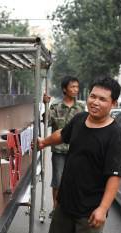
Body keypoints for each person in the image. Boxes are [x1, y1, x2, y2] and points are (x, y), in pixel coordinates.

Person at [37, 77, 121, 233]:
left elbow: (114, 176)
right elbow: (61, 135)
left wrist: (103, 209)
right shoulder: (79, 120)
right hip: (66, 200)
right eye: (93, 96)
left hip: (91, 209)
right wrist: (43, 142)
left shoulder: (116, 136)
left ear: (113, 104)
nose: (95, 102)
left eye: (102, 99)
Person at [43, 76, 85, 217]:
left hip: (76, 151)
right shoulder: (55, 107)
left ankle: (72, 207)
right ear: (64, 89)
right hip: (59, 151)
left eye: (77, 87)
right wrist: (46, 105)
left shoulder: (81, 108)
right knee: (58, 181)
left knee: (75, 181)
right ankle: (56, 209)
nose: (75, 90)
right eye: (72, 87)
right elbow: (46, 122)